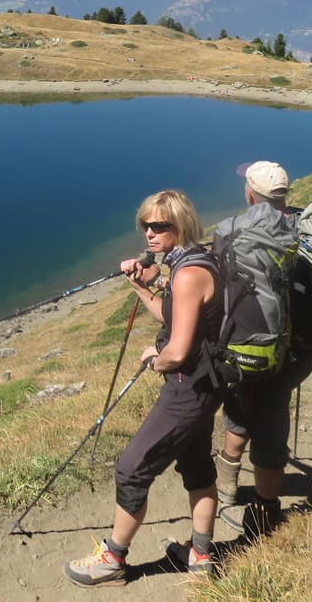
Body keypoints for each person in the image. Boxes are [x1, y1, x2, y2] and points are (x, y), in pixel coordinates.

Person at [64, 189, 226, 586]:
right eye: (145, 225)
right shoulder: (195, 261)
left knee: (132, 468)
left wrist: (155, 360)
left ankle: (113, 561)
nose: (149, 234)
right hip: (207, 386)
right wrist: (141, 287)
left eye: (159, 226)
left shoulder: (187, 274)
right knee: (196, 465)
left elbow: (177, 351)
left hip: (187, 389)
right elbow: (171, 315)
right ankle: (201, 555)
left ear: (181, 225)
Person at [214, 160, 312, 540]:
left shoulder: (232, 230)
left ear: (250, 193)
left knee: (247, 412)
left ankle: (259, 510)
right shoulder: (306, 226)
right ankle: (245, 496)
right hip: (298, 351)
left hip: (253, 350)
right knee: (271, 409)